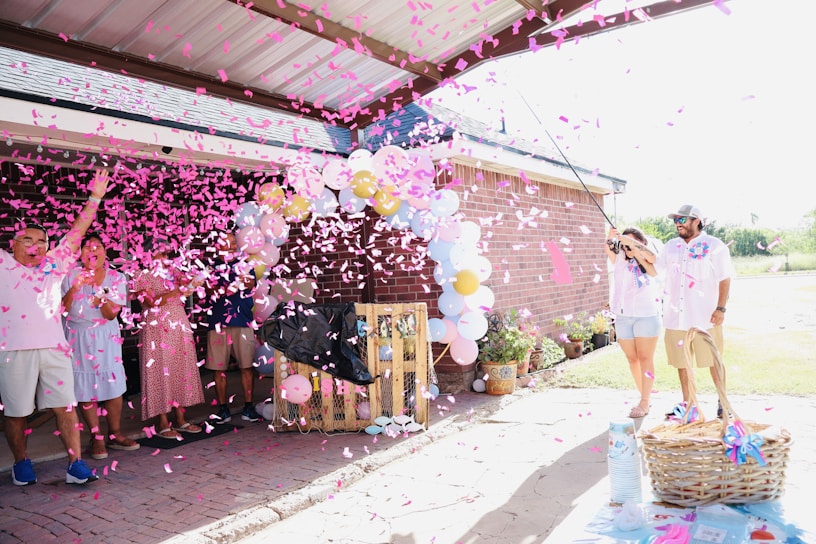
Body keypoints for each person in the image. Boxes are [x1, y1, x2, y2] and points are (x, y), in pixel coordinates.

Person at [0, 168, 109, 486]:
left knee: (65, 406)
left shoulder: (55, 263)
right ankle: (21, 464)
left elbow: (78, 229)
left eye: (41, 241)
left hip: (54, 348)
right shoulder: (4, 264)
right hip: (13, 350)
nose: (34, 246)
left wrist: (95, 197)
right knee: (17, 413)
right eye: (27, 240)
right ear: (14, 243)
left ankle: (76, 465)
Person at [61, 232, 140, 460]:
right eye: (87, 247)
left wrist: (102, 299)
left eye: (97, 247)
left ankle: (115, 433)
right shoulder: (70, 275)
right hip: (77, 335)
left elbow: (111, 315)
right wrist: (75, 288)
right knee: (85, 387)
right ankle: (96, 437)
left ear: (105, 252)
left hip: (106, 335)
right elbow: (62, 310)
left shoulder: (116, 277)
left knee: (113, 384)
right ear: (81, 253)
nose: (92, 251)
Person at [656, 205, 735, 417]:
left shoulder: (714, 246)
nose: (678, 223)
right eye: (675, 220)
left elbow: (724, 278)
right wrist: (633, 248)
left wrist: (721, 308)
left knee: (713, 361)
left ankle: (723, 401)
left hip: (706, 317)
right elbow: (655, 268)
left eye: (682, 219)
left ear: (697, 221)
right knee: (682, 363)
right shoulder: (671, 246)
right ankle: (689, 403)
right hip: (676, 319)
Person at [132, 243, 205, 439]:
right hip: (156, 327)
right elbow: (151, 301)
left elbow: (187, 288)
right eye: (158, 251)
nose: (163, 255)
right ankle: (162, 421)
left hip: (177, 322)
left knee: (178, 368)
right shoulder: (140, 274)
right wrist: (177, 290)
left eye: (165, 252)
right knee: (159, 371)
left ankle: (181, 418)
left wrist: (192, 284)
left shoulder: (173, 272)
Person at [204, 231, 262, 424]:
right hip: (218, 324)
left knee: (247, 366)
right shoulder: (211, 267)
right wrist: (226, 287)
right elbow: (209, 289)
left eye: (232, 243)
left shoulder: (245, 264)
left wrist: (237, 282)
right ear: (217, 246)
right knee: (218, 368)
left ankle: (248, 407)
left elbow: (251, 282)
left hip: (242, 321)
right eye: (224, 243)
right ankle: (223, 409)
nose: (229, 246)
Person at [605, 226, 661, 419]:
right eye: (624, 242)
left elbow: (653, 266)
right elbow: (608, 248)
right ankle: (644, 396)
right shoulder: (619, 259)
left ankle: (644, 402)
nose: (625, 246)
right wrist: (611, 237)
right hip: (623, 316)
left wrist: (635, 249)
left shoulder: (646, 258)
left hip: (646, 315)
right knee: (632, 359)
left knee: (645, 357)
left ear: (640, 242)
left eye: (631, 241)